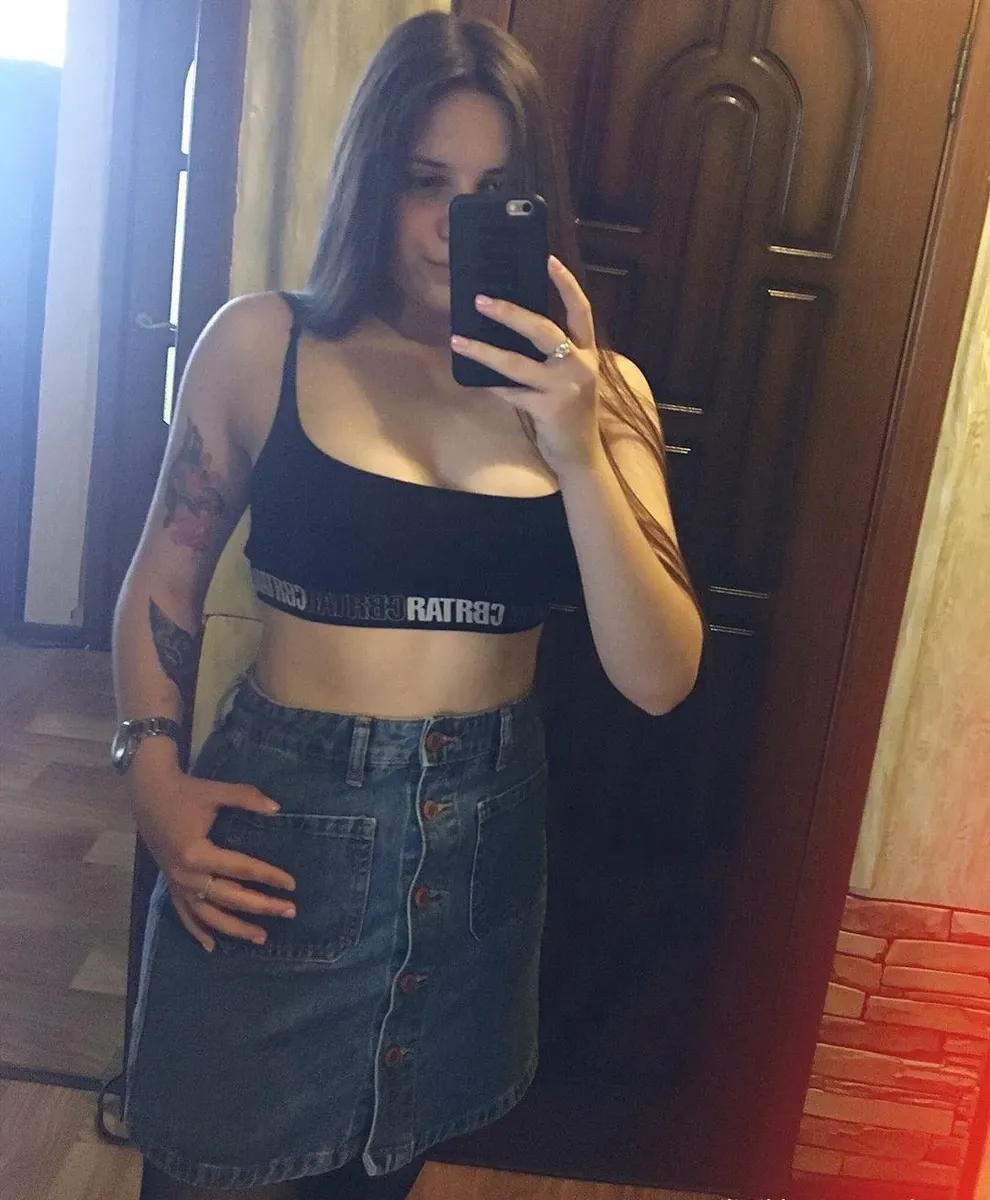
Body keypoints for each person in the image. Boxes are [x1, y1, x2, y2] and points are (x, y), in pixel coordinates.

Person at [111, 11, 703, 1200]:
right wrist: (152, 778)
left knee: (376, 1180)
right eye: (425, 181)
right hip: (279, 840)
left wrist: (577, 450)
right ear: (372, 177)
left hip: (477, 856)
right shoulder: (261, 344)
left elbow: (658, 676)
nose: (449, 224)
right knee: (206, 1170)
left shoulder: (602, 398)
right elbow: (163, 579)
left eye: (492, 193)